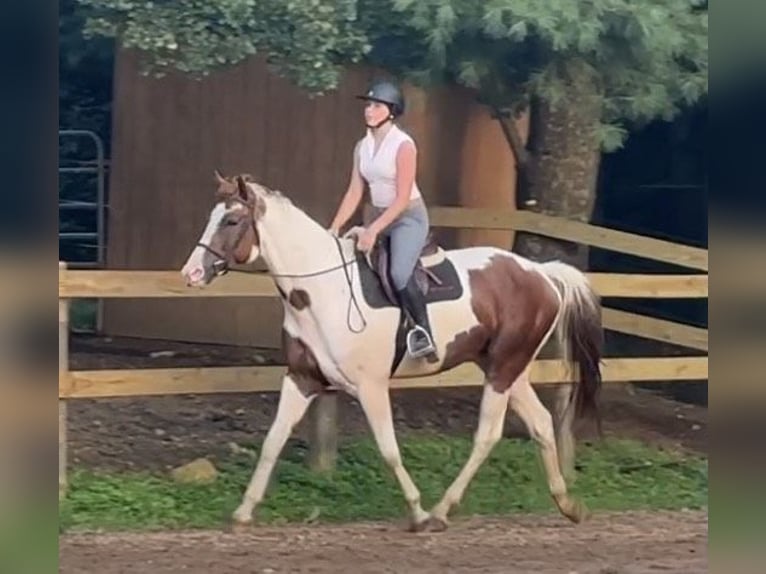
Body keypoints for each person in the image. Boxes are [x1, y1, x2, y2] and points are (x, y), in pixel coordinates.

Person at [329, 80, 437, 359]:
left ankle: (423, 333)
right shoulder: (361, 147)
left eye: (376, 105)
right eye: (368, 105)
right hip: (377, 214)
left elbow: (401, 199)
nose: (369, 110)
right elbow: (355, 190)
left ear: (391, 111)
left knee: (399, 273)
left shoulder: (404, 146)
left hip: (407, 217)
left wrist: (372, 230)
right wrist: (334, 227)